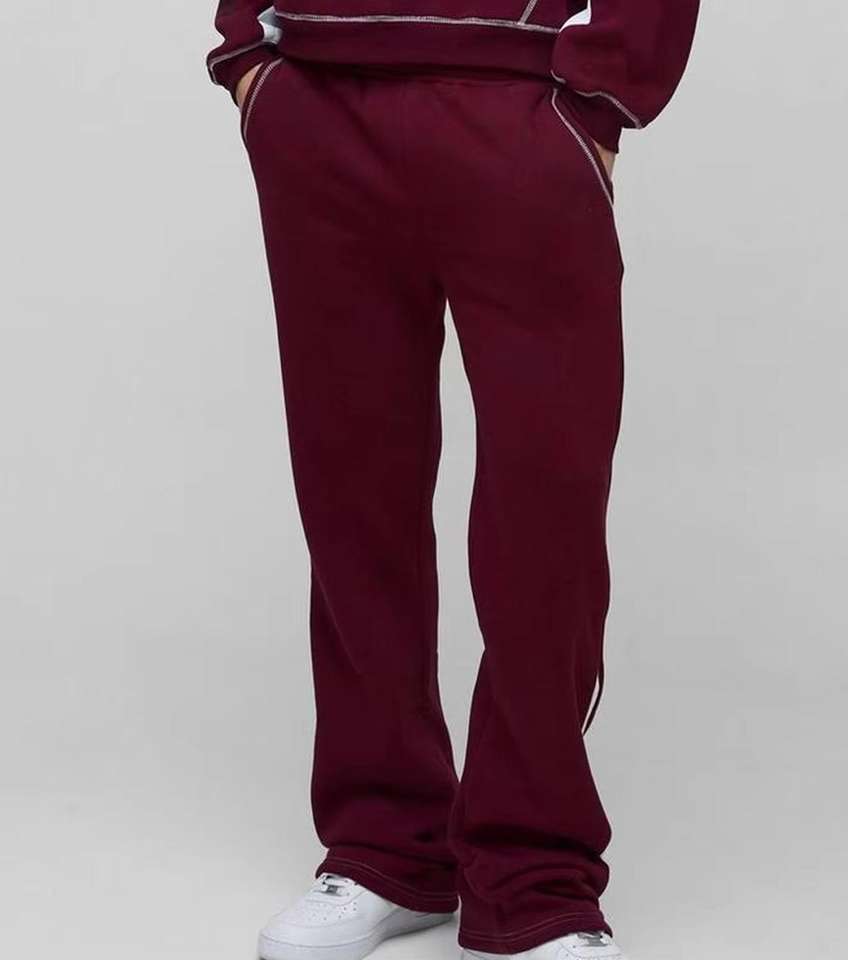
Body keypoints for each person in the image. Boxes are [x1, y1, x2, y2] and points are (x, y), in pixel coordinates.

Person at [206, 4, 699, 960]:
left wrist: (604, 93)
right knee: (351, 490)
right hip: (317, 93)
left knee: (544, 505)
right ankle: (387, 846)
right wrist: (248, 52)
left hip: (520, 99)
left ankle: (534, 874)